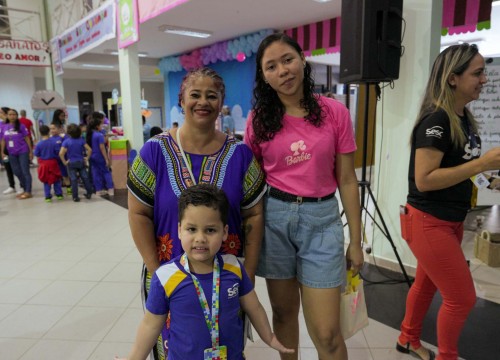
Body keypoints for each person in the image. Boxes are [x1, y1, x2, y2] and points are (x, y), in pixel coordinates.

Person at [127, 67, 266, 359]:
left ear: (221, 102)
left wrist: (246, 275)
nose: (203, 102)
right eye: (195, 95)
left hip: (224, 279)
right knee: (173, 346)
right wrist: (158, 273)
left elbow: (253, 215)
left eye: (211, 96)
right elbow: (138, 214)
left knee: (224, 344)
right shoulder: (154, 152)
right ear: (182, 99)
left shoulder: (240, 154)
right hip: (169, 275)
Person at [244, 33, 364, 360]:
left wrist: (356, 240)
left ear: (302, 60)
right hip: (274, 220)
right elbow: (251, 186)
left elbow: (347, 179)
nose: (282, 70)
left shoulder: (334, 112)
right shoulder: (258, 120)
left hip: (322, 221)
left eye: (287, 59)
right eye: (271, 66)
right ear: (264, 76)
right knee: (283, 315)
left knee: (327, 333)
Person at [397, 44, 500, 360]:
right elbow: (426, 179)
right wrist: (482, 164)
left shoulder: (464, 118)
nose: (485, 79)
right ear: (453, 78)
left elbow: (460, 168)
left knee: (427, 285)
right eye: (478, 73)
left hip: (451, 220)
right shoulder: (436, 120)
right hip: (429, 222)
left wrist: (490, 180)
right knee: (461, 298)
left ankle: (407, 339)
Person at [118, 184, 293, 360]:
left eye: (210, 230)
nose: (200, 238)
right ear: (179, 230)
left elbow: (254, 307)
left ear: (224, 232)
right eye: (191, 229)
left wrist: (269, 337)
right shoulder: (165, 277)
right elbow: (151, 324)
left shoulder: (234, 267)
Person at [0, 109, 33, 199]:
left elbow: (27, 138)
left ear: (17, 115)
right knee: (16, 171)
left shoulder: (21, 126)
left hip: (23, 151)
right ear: (7, 116)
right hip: (11, 153)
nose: (12, 116)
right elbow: (2, 140)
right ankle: (25, 188)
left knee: (25, 171)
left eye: (14, 114)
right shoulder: (4, 127)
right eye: (10, 114)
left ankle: (28, 191)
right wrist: (2, 152)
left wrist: (30, 151)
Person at [59, 123, 93, 202]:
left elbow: (61, 153)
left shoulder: (66, 141)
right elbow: (90, 150)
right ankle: (89, 192)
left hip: (71, 163)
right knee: (85, 177)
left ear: (69, 133)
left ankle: (75, 197)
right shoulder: (81, 140)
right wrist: (87, 158)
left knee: (73, 179)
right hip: (81, 162)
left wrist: (64, 162)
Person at [86, 112, 114, 196]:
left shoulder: (90, 135)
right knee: (106, 172)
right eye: (101, 125)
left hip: (93, 157)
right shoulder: (99, 135)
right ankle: (110, 189)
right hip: (100, 156)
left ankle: (98, 190)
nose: (102, 126)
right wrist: (106, 159)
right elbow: (102, 148)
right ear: (97, 126)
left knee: (96, 173)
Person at [34, 125, 63, 202]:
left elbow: (36, 154)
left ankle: (47, 196)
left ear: (40, 133)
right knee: (56, 179)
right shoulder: (53, 142)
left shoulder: (39, 144)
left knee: (46, 180)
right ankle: (59, 194)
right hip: (53, 162)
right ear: (48, 131)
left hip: (44, 164)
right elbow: (58, 152)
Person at [0, 106, 22, 195]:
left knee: (17, 168)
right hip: (4, 148)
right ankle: (11, 186)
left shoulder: (12, 124)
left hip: (14, 148)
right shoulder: (1, 124)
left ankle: (22, 185)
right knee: (8, 167)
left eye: (1, 112)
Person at [50, 119, 71, 193]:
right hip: (55, 161)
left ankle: (69, 188)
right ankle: (58, 190)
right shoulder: (50, 139)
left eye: (54, 128)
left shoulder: (64, 137)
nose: (52, 130)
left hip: (64, 160)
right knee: (56, 176)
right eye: (51, 129)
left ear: (59, 128)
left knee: (65, 175)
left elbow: (68, 147)